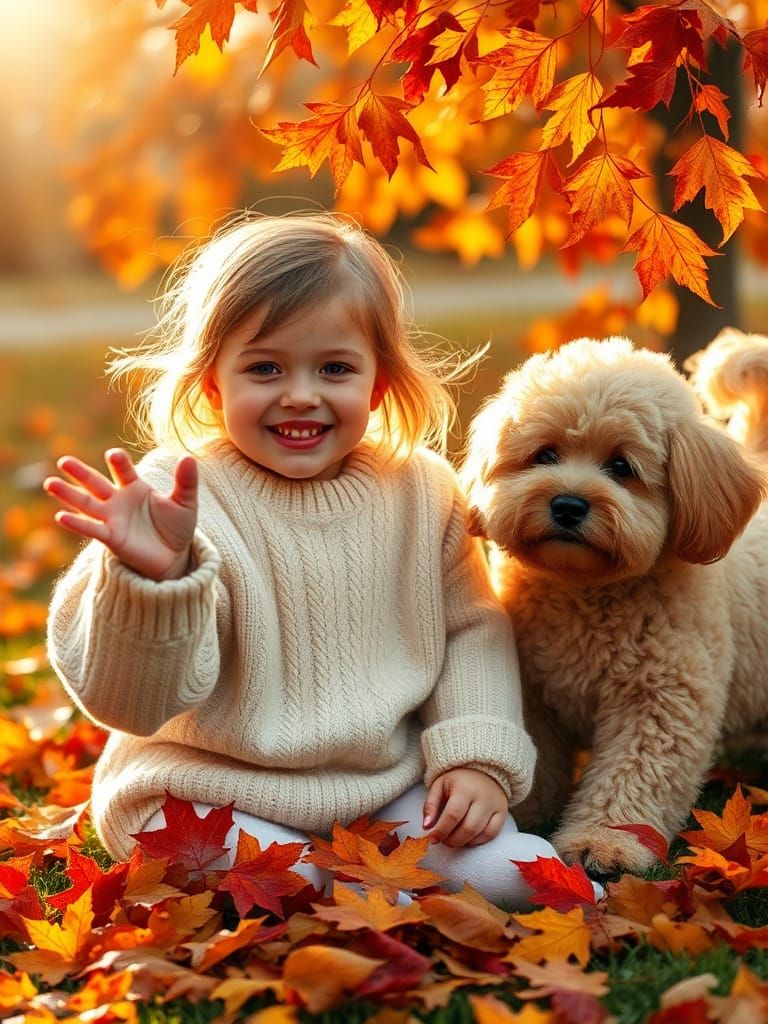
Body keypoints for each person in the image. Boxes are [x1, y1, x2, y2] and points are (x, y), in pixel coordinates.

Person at [45, 211, 566, 906]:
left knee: (517, 876)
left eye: (334, 368)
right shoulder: (177, 498)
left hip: (381, 790)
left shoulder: (421, 490)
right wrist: (154, 579)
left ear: (378, 382)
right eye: (264, 368)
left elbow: (470, 632)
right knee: (257, 872)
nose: (300, 393)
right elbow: (129, 704)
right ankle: (337, 891)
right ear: (212, 384)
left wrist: (476, 761)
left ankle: (358, 884)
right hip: (204, 791)